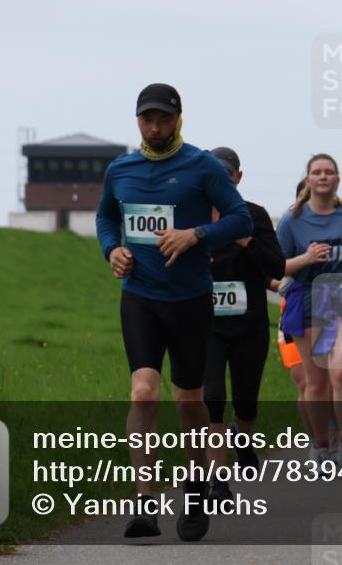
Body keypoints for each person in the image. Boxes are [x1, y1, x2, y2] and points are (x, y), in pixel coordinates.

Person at [96, 83, 253, 541]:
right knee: (144, 392)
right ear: (138, 121)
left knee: (188, 401)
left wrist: (196, 235)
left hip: (189, 301)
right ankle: (145, 504)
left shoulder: (202, 166)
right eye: (148, 119)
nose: (156, 127)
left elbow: (239, 218)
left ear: (178, 119)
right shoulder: (120, 169)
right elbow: (106, 217)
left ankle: (197, 486)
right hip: (140, 296)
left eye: (164, 119)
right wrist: (112, 250)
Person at [277, 153, 342, 473]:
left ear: (337, 179)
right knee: (315, 382)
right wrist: (305, 258)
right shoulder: (291, 221)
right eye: (316, 172)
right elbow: (277, 268)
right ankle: (319, 447)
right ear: (307, 180)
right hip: (306, 299)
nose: (322, 177)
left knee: (341, 372)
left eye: (328, 172)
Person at [203, 147, 286, 502]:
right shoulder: (191, 216)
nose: (220, 179)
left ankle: (243, 434)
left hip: (249, 325)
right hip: (205, 325)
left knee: (246, 400)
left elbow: (277, 267)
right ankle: (217, 481)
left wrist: (246, 240)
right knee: (212, 399)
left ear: (238, 177)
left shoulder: (254, 215)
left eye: (227, 174)